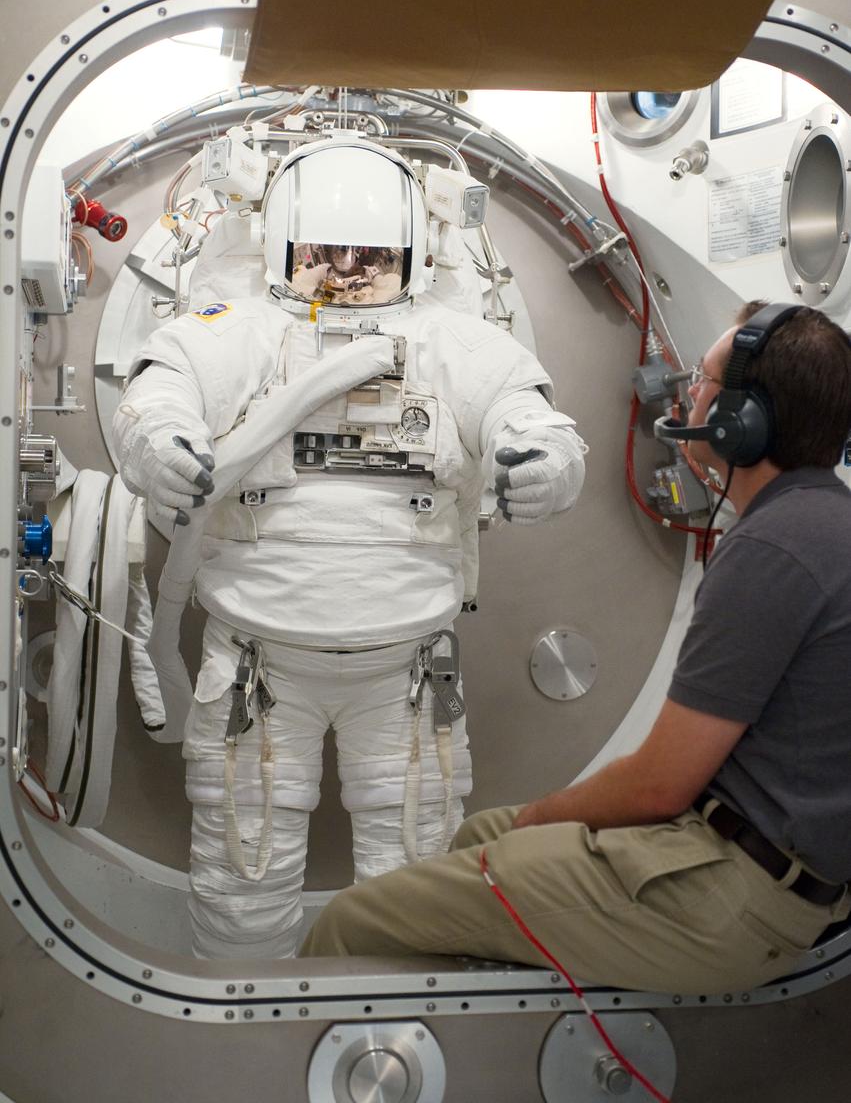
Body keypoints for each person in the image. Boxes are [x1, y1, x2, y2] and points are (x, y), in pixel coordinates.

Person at [112, 135, 586, 959]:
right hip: (260, 665)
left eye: (369, 254)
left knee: (410, 892)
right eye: (323, 253)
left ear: (412, 251)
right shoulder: (239, 329)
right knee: (240, 880)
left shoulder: (448, 338)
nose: (345, 271)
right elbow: (159, 396)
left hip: (402, 673)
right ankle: (243, 1040)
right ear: (280, 248)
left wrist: (546, 467)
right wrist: (165, 445)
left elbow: (527, 414)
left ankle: (393, 1038)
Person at [301, 301, 851, 995]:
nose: (689, 397)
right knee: (479, 836)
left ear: (743, 419)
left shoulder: (772, 550)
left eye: (706, 383)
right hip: (758, 856)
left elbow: (658, 784)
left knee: (352, 923)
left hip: (728, 894)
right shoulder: (823, 522)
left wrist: (538, 820)